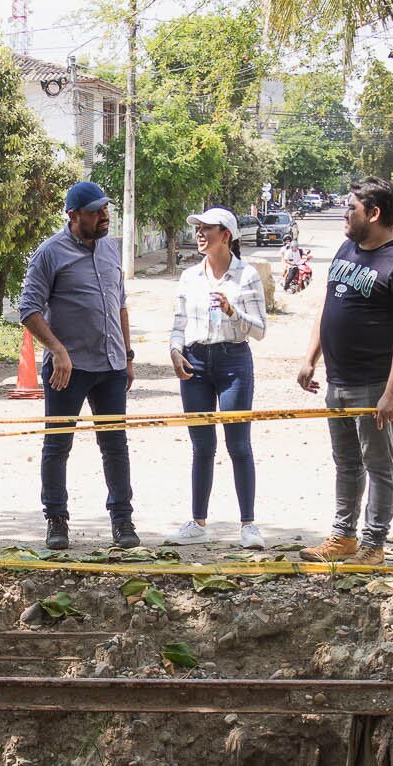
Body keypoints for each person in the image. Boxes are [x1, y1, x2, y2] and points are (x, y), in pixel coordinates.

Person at [297, 176, 393, 566]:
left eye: (351, 208)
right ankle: (343, 538)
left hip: (375, 386)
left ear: (373, 214)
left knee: (378, 465)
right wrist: (311, 357)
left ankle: (373, 545)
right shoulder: (346, 249)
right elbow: (328, 306)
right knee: (347, 464)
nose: (344, 213)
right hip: (338, 381)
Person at [19, 180, 137, 550]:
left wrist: (128, 355)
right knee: (58, 445)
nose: (104, 216)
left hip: (111, 366)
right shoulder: (50, 253)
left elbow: (119, 303)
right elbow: (28, 310)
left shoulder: (111, 248)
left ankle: (123, 521)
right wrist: (58, 350)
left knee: (114, 444)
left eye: (106, 209)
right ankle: (56, 520)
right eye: (96, 211)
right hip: (66, 370)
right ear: (73, 216)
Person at [164, 208, 268, 550]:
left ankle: (248, 524)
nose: (200, 234)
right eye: (198, 228)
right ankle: (197, 521)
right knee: (201, 446)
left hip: (233, 361)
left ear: (226, 235)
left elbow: (260, 330)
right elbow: (179, 323)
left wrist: (231, 311)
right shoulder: (189, 276)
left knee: (239, 444)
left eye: (208, 228)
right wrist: (175, 351)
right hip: (194, 362)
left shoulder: (246, 276)